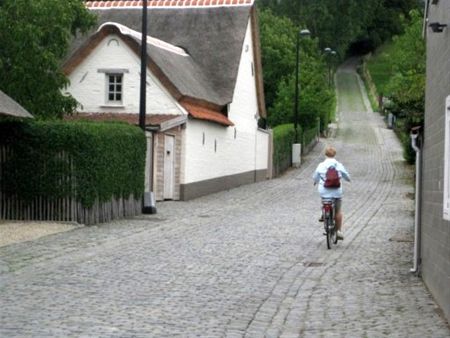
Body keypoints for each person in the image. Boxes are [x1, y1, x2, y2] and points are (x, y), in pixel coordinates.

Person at [313, 145, 350, 240]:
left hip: (324, 191)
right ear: (334, 154)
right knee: (338, 211)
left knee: (324, 199)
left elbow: (315, 177)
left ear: (325, 154)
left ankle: (324, 212)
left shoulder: (321, 165)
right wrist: (348, 179)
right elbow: (346, 176)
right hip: (337, 192)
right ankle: (338, 231)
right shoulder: (338, 165)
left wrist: (316, 181)